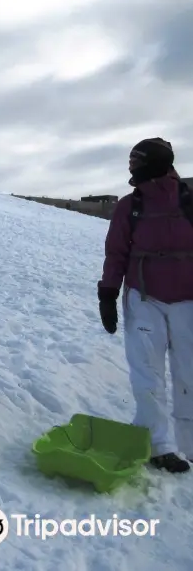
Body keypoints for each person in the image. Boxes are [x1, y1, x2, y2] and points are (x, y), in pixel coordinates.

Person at [98, 137, 193, 474]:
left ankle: (189, 443)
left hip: (188, 301)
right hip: (144, 298)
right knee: (147, 374)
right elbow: (116, 252)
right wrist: (107, 294)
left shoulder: (189, 200)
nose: (131, 167)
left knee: (190, 373)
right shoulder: (129, 206)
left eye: (136, 161)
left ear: (156, 162)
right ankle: (159, 445)